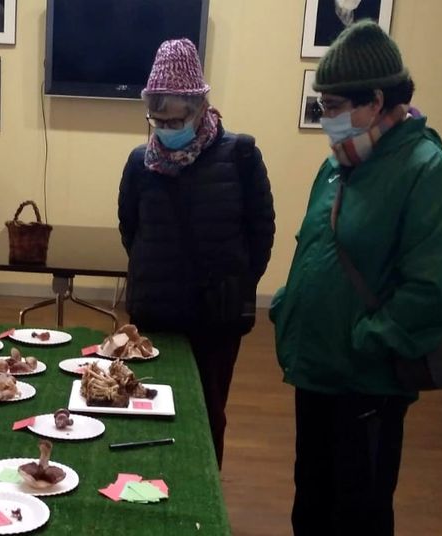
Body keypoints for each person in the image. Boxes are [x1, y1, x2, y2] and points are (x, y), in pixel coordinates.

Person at [269, 22, 442, 536]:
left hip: (367, 381)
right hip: (317, 368)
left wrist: (367, 341)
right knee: (311, 502)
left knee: (358, 512)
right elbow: (312, 248)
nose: (327, 119)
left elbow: (430, 289)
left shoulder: (432, 174)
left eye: (333, 106)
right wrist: (289, 304)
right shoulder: (342, 164)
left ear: (377, 100)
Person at [117, 39, 275, 465]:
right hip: (155, 314)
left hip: (216, 317)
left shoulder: (241, 155)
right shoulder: (138, 163)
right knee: (147, 405)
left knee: (207, 413)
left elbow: (261, 232)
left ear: (200, 107)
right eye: (158, 119)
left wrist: (236, 282)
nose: (167, 128)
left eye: (176, 119)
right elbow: (130, 229)